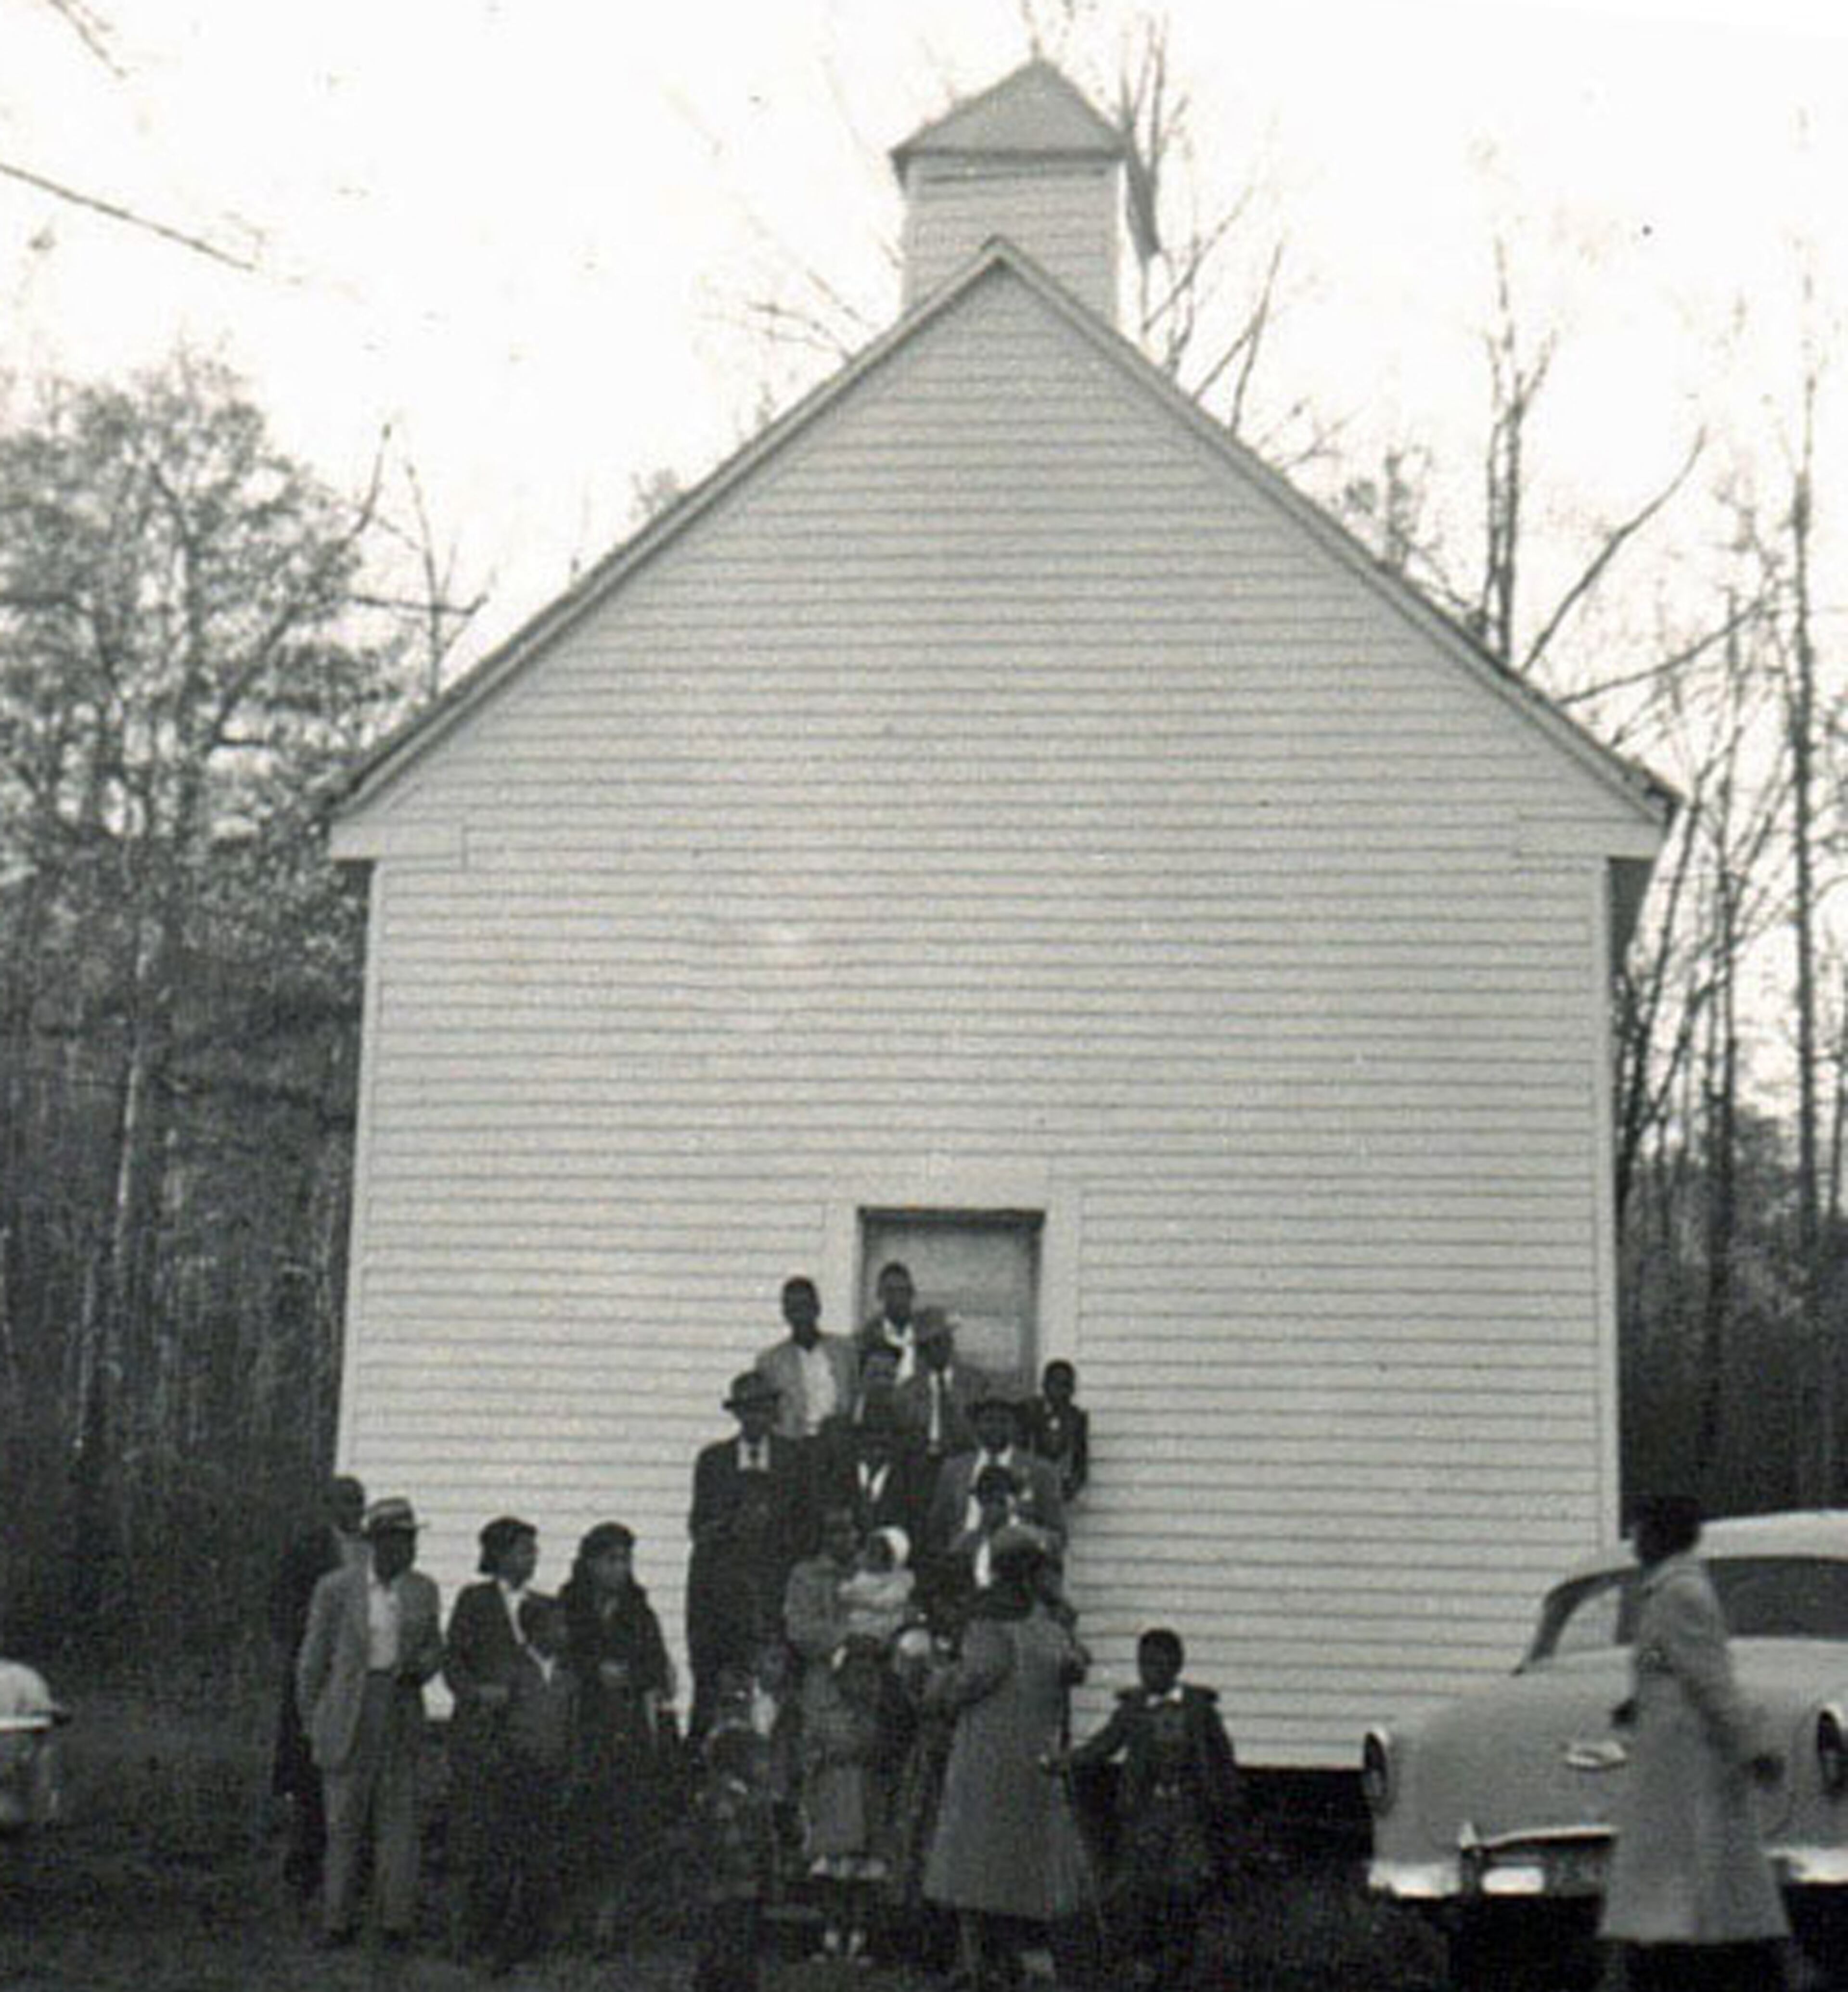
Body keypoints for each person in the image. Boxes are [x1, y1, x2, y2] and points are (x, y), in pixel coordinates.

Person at [1599, 1494, 1789, 1992]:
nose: (1635, 1542)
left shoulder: (1680, 1595)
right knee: (1691, 1885)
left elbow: (1710, 1679)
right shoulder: (1668, 1592)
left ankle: (1713, 1968)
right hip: (1672, 1760)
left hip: (1689, 1765)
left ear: (1662, 1535)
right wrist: (1638, 1701)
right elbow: (1672, 1669)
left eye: (1641, 1530)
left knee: (1691, 1884)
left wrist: (1753, 1745)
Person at [923, 1528, 1091, 1990]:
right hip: (1034, 1758)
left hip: (988, 1757)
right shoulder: (1049, 1627)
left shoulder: (990, 1624)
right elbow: (1073, 1666)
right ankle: (1015, 1961)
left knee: (976, 1861)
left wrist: (936, 1683)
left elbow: (973, 1680)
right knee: (1020, 1860)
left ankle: (978, 1961)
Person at [294, 1494, 444, 1951]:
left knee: (398, 1821)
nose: (408, 1550)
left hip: (400, 1709)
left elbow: (436, 1648)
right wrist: (315, 1720)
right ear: (377, 1543)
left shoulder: (423, 1590)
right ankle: (337, 1920)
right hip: (349, 1711)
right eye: (399, 1541)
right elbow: (312, 1662)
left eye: (412, 1541)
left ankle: (395, 1922)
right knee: (344, 1821)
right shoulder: (336, 1589)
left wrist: (422, 1666)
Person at [1056, 1626, 1241, 1990]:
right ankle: (1143, 1960)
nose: (1149, 1672)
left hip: (1187, 1810)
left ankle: (1181, 1961)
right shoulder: (1134, 1708)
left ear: (1177, 1665)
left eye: (1158, 1664)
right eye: (1143, 1664)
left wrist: (1225, 1796)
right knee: (1139, 1885)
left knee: (1186, 1884)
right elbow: (1105, 1745)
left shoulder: (1200, 1709)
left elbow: (1221, 1756)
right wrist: (1068, 1762)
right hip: (1145, 1810)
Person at [560, 1521, 679, 1946]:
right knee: (579, 1823)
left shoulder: (638, 1610)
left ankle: (608, 1921)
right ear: (590, 1563)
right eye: (611, 1559)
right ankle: (576, 1915)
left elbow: (657, 1664)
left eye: (625, 1560)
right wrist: (595, 1671)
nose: (619, 1568)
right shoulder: (570, 1605)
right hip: (581, 1725)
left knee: (620, 1825)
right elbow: (559, 1653)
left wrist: (631, 1676)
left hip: (625, 1729)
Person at [688, 1371, 811, 1741]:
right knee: (725, 1702)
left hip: (778, 1596)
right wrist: (733, 1524)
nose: (756, 1418)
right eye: (748, 1411)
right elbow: (699, 1528)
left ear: (774, 1413)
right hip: (725, 1600)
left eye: (763, 1409)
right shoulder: (714, 1461)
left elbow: (808, 1530)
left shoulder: (795, 1458)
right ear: (737, 1415)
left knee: (780, 1704)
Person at [442, 1514, 539, 1960]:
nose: (532, 1558)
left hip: (522, 1737)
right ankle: (466, 1933)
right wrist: (478, 1693)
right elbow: (453, 1662)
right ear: (500, 1556)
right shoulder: (474, 1601)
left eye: (534, 1550)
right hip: (480, 1734)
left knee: (512, 1838)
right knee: (473, 1835)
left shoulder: (543, 1606)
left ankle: (507, 1933)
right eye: (523, 1550)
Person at [269, 1473, 366, 1902]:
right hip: (319, 1672)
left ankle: (346, 1872)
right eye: (346, 1503)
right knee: (312, 1771)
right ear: (330, 1506)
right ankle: (303, 1867)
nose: (354, 1511)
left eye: (359, 1503)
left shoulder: (370, 1551)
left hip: (359, 1675)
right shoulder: (308, 1550)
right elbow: (283, 1608)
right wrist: (312, 1649)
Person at [480, 1592, 578, 1977]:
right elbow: (493, 1723)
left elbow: (571, 1729)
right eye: (557, 1625)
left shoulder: (568, 1676)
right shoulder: (513, 1669)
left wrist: (569, 1769)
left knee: (542, 1860)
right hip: (517, 1774)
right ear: (535, 1629)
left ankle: (532, 1938)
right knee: (508, 1859)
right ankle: (495, 1939)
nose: (564, 1632)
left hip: (552, 1775)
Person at [802, 1636, 896, 1962]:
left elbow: (882, 1754)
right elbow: (811, 1753)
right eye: (855, 1675)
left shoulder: (878, 1718)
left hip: (866, 1802)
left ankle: (859, 1935)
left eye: (868, 1676)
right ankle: (830, 1933)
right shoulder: (826, 1716)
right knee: (833, 1874)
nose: (861, 1683)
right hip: (834, 1801)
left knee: (862, 1876)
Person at [925, 1393, 1066, 1559]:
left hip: (1019, 1568)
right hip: (962, 1564)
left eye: (1004, 1421)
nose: (996, 1427)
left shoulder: (1041, 1471)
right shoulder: (954, 1470)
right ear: (976, 1426)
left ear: (1015, 1426)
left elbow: (1058, 1536)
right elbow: (936, 1531)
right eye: (989, 1420)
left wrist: (1028, 1538)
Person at [694, 1722, 778, 1992]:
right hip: (731, 1886)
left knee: (733, 1947)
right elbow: (732, 1842)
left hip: (734, 1886)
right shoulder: (727, 1798)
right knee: (731, 1948)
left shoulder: (738, 1796)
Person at [754, 1275, 859, 1442]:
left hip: (838, 1442)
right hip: (794, 1446)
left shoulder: (844, 1351)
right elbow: (767, 1412)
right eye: (794, 1309)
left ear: (817, 1308)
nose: (801, 1316)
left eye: (806, 1307)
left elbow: (856, 1396)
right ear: (786, 1314)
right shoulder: (771, 1361)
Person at [895, 1311, 988, 1471]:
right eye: (926, 1346)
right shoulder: (907, 1391)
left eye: (940, 1342)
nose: (935, 1350)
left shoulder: (975, 1382)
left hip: (964, 1461)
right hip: (920, 1465)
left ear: (951, 1343)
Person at [1022, 1359, 1089, 1503]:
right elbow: (1020, 1451)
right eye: (1056, 1384)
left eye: (1067, 1385)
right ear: (1045, 1386)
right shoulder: (1030, 1411)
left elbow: (1080, 1459)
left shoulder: (1076, 1418)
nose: (1062, 1392)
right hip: (1032, 1487)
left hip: (1061, 1490)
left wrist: (1072, 1486)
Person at [838, 1528, 917, 1648]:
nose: (870, 1554)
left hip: (882, 1631)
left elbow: (886, 1602)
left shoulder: (901, 1580)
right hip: (852, 1629)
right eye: (870, 1550)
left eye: (877, 1552)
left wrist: (856, 1597)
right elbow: (842, 1593)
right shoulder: (859, 1575)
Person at [858, 1260, 920, 1382]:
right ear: (880, 1295)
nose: (898, 1298)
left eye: (903, 1291)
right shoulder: (868, 1337)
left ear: (912, 1293)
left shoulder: (926, 1331)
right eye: (891, 1291)